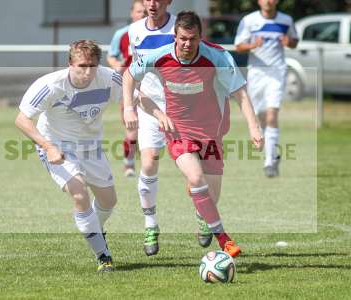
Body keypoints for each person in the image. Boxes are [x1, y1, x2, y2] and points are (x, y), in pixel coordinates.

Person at [123, 11, 264, 257]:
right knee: (196, 179)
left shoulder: (217, 56)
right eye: (183, 39)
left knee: (211, 193)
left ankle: (202, 214)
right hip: (178, 132)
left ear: (201, 37)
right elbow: (129, 76)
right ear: (175, 37)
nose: (188, 44)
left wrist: (254, 126)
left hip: (211, 133)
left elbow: (240, 92)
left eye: (193, 39)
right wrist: (129, 108)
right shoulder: (159, 56)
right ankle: (224, 239)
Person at [15, 40, 139, 272]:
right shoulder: (51, 85)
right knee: (79, 194)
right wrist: (48, 146)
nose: (87, 71)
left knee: (109, 201)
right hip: (57, 146)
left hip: (91, 147)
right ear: (70, 63)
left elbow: (134, 94)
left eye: (92, 66)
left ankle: (96, 232)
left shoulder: (108, 78)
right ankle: (103, 256)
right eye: (81, 65)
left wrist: (150, 112)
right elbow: (22, 120)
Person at [125, 0, 176, 256]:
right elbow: (134, 71)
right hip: (149, 104)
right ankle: (150, 224)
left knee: (195, 168)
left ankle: (203, 214)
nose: (153, 3)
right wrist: (130, 104)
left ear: (169, 2)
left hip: (182, 106)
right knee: (148, 163)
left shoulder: (180, 26)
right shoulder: (134, 30)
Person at [235, 0, 298, 177]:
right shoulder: (249, 20)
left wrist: (289, 41)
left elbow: (294, 41)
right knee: (261, 117)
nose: (268, 1)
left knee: (272, 115)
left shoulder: (286, 20)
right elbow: (238, 46)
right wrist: (253, 45)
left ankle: (269, 162)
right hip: (256, 74)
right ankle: (273, 153)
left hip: (277, 72)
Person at [107, 0, 146, 177]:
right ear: (132, 13)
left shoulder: (154, 33)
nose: (142, 15)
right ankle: (129, 164)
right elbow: (111, 56)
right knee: (132, 127)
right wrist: (117, 66)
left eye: (144, 12)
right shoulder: (122, 34)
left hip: (151, 86)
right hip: (130, 86)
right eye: (138, 12)